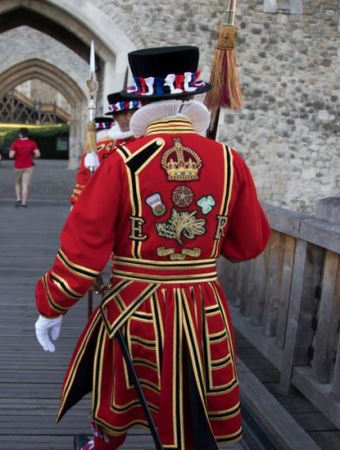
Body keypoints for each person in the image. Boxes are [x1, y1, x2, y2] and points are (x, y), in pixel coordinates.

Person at [33, 46, 270, 450]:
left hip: (135, 305)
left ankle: (103, 444)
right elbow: (248, 245)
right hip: (203, 307)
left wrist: (51, 305)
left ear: (142, 101)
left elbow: (84, 248)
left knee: (120, 393)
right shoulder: (230, 161)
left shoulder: (121, 162)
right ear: (190, 97)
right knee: (194, 404)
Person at [69, 91, 141, 205]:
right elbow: (84, 179)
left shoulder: (148, 141)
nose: (128, 118)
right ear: (115, 117)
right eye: (123, 113)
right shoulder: (100, 148)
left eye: (132, 113)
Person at [8, 127, 40, 207]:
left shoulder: (15, 143)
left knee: (17, 183)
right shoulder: (32, 143)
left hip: (18, 166)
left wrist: (14, 152)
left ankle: (18, 198)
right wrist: (32, 156)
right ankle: (24, 202)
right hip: (29, 166)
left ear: (20, 134)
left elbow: (11, 156)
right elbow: (38, 154)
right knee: (25, 184)